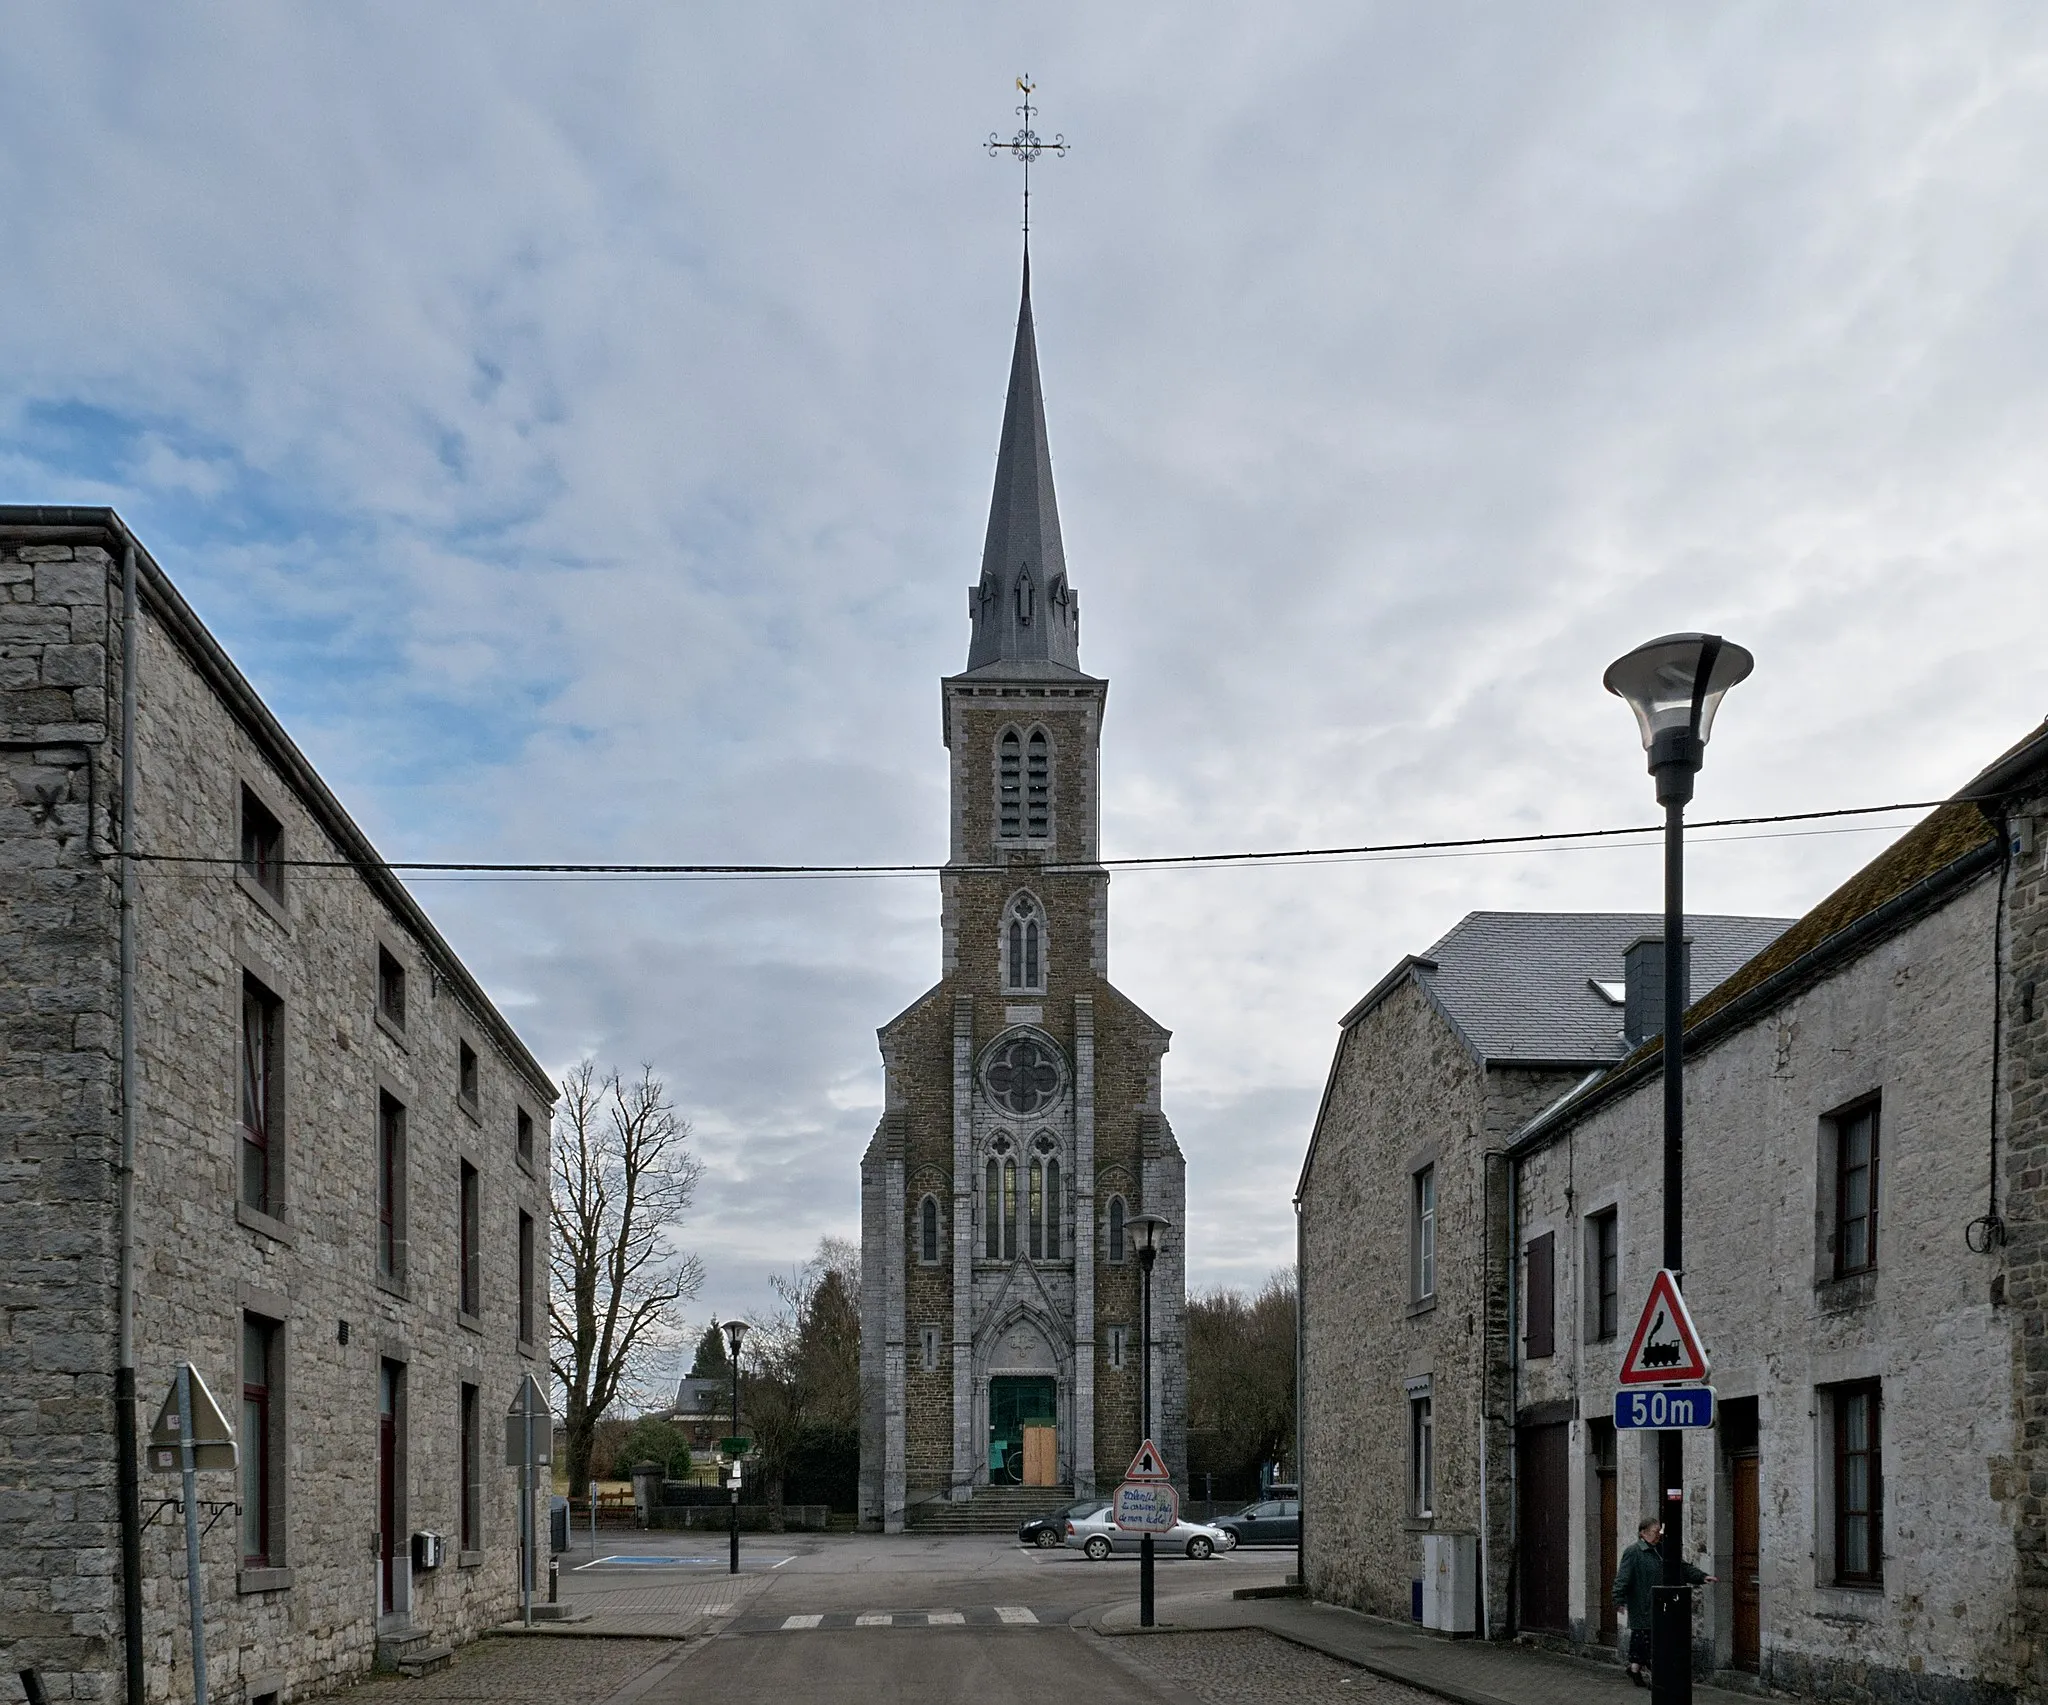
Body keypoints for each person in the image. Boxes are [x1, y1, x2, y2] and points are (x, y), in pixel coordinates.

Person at [1613, 1516, 1713, 1688]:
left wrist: (1702, 1576)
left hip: (1662, 1604)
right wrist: (1618, 1599)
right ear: (1643, 1533)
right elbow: (1623, 1578)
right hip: (1642, 1604)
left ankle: (1635, 1669)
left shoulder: (1662, 1550)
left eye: (1660, 1531)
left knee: (1650, 1641)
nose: (1658, 1534)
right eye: (1654, 1531)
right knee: (1648, 1641)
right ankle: (1656, 1678)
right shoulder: (1634, 1552)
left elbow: (1681, 1567)